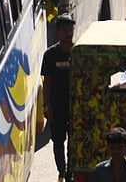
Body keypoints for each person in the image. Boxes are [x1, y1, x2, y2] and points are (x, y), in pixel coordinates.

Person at [41, 13, 76, 181]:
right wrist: (46, 104)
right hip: (57, 105)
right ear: (58, 32)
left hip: (75, 106)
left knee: (74, 142)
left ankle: (70, 173)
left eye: (70, 30)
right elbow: (47, 81)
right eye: (65, 31)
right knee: (58, 141)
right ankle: (61, 171)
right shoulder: (50, 55)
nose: (68, 34)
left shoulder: (79, 52)